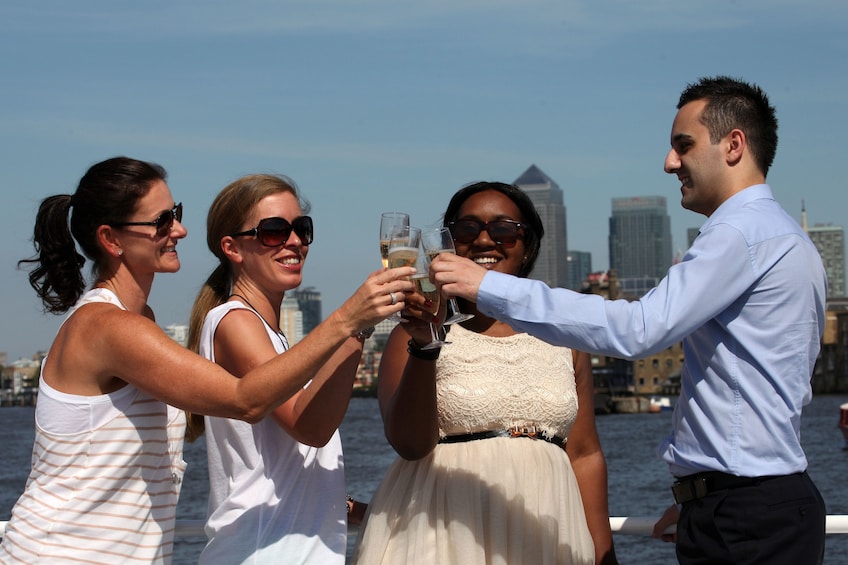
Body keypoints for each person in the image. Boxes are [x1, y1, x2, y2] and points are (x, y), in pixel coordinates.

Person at [430, 76, 827, 564]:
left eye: (684, 145)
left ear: (734, 145)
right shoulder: (790, 240)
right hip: (751, 507)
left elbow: (639, 330)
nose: (669, 163)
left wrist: (484, 286)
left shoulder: (740, 233)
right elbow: (768, 383)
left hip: (746, 516)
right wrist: (703, 500)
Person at [2, 157, 412, 565]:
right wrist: (349, 319)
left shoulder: (135, 322)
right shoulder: (108, 326)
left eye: (175, 214)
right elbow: (245, 399)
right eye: (162, 221)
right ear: (112, 240)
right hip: (63, 552)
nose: (179, 229)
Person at [352, 181, 617, 564]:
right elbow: (409, 445)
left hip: (546, 532)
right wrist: (426, 347)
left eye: (504, 229)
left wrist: (603, 552)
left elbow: (585, 453)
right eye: (466, 229)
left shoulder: (564, 337)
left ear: (528, 247)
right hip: (441, 537)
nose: (483, 240)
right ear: (447, 245)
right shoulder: (412, 337)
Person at [187, 174, 395, 563]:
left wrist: (383, 517)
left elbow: (292, 469)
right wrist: (350, 318)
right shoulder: (234, 321)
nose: (295, 241)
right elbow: (309, 427)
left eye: (301, 229)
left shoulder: (276, 340)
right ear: (232, 248)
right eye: (273, 231)